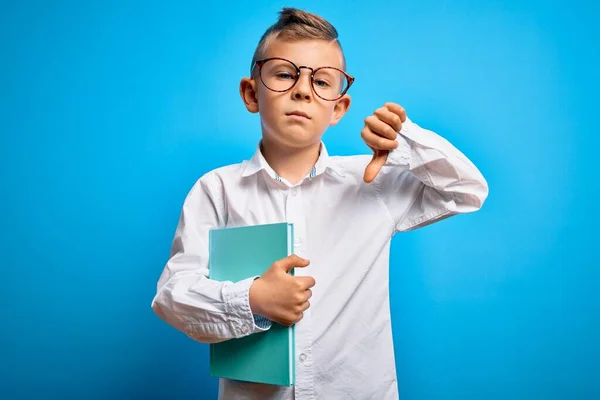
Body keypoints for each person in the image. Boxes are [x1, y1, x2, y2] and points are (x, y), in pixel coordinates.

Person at [151, 7, 488, 399]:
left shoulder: (373, 181)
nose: (302, 90)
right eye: (283, 73)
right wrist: (252, 298)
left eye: (323, 82)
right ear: (250, 93)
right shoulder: (217, 190)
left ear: (339, 109)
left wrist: (403, 142)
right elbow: (172, 296)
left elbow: (467, 190)